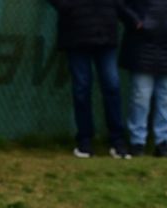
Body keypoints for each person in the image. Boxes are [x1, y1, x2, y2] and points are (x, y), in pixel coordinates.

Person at [48, 0, 130, 158]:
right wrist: (68, 7)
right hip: (76, 33)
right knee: (82, 89)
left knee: (112, 87)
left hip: (105, 33)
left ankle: (117, 142)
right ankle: (85, 142)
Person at [119, 0, 167, 157]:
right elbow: (122, 5)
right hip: (141, 46)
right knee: (140, 97)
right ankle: (137, 142)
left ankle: (163, 143)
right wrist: (136, 22)